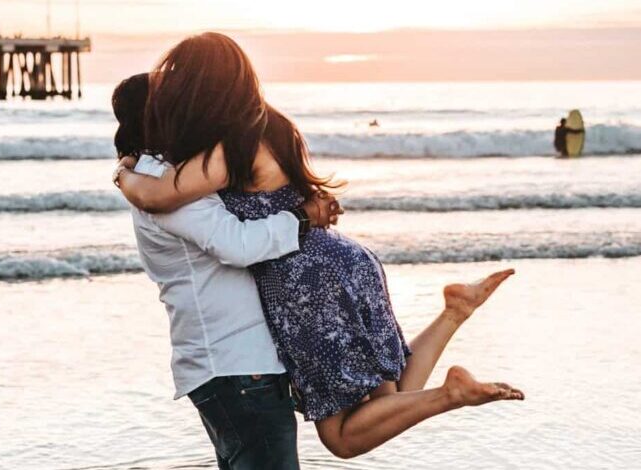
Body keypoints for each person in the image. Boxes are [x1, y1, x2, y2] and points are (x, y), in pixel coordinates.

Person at [115, 32, 524, 461]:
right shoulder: (274, 125)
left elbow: (159, 197)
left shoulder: (228, 146)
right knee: (394, 392)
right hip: (342, 258)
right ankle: (453, 314)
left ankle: (450, 393)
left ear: (203, 86)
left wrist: (124, 174)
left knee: (342, 436)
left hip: (304, 280)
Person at [111, 73, 343, 469]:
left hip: (229, 366)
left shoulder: (161, 178)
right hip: (237, 366)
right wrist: (302, 217)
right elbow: (236, 244)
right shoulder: (162, 183)